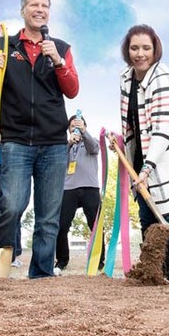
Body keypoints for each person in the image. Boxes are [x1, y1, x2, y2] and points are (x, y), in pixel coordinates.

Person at [0, 0, 79, 279]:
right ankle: (0, 265)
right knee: (11, 206)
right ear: (23, 10)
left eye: (45, 6)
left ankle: (40, 273)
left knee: (48, 217)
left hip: (53, 142)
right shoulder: (5, 45)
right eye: (34, 5)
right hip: (15, 140)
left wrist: (59, 62)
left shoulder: (61, 48)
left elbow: (73, 90)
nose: (40, 10)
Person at [119, 24, 169, 283]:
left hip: (167, 160)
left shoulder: (163, 78)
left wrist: (147, 168)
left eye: (146, 48)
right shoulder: (127, 78)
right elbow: (133, 121)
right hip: (142, 158)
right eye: (134, 48)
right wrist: (120, 143)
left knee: (167, 216)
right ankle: (152, 273)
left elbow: (162, 130)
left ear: (155, 51)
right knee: (146, 215)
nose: (140, 54)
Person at [55, 113, 105, 274]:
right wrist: (69, 143)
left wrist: (83, 132)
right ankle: (62, 260)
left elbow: (95, 148)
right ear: (68, 130)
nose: (75, 128)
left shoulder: (90, 142)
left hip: (90, 187)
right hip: (68, 188)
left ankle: (99, 260)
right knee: (61, 226)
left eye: (79, 125)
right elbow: (56, 160)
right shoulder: (65, 144)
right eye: (72, 126)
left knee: (96, 225)